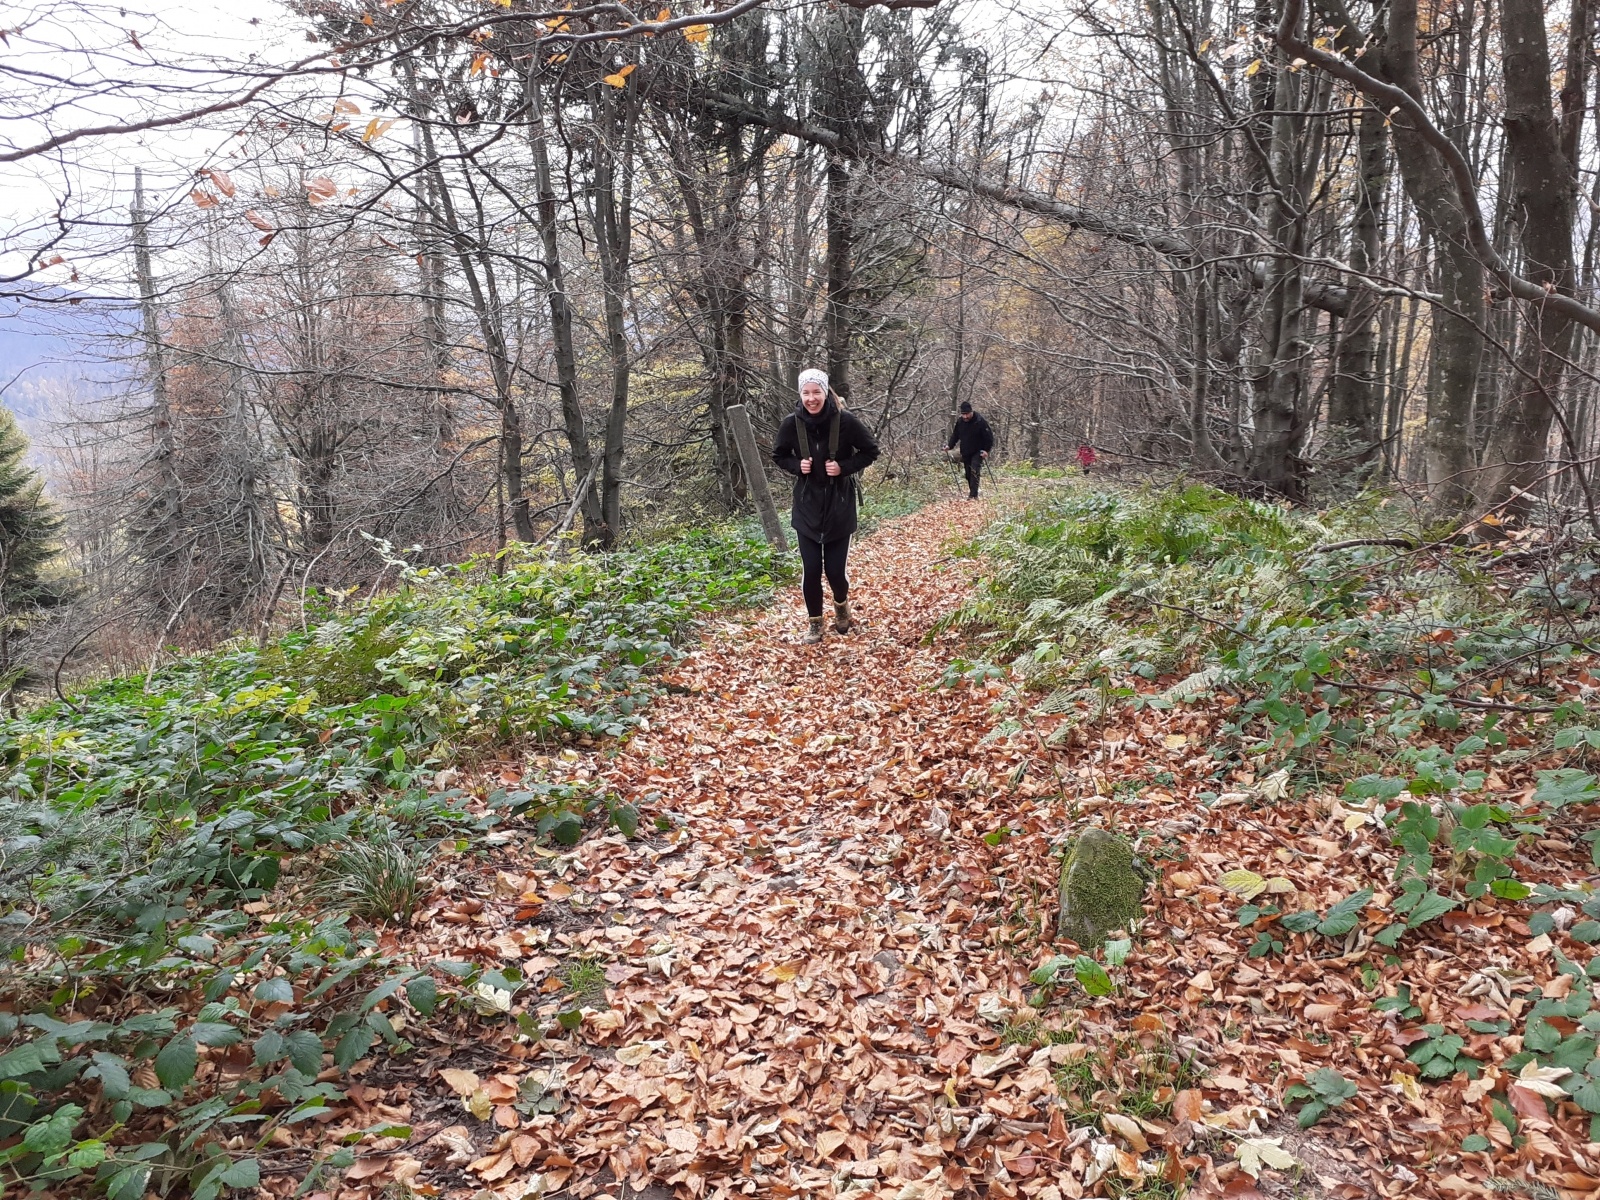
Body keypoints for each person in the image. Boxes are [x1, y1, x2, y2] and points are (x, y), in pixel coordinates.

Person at [772, 369, 881, 644]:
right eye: (806, 393)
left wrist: (843, 467)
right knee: (810, 569)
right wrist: (797, 466)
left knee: (834, 570)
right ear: (800, 394)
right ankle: (815, 624)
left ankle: (841, 606)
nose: (811, 398)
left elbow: (871, 451)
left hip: (839, 506)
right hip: (807, 507)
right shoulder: (791, 424)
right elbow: (779, 455)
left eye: (816, 392)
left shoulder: (845, 421)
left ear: (825, 392)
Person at [947, 401, 994, 499]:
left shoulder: (980, 421)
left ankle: (973, 495)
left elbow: (989, 437)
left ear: (971, 412)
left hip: (978, 451)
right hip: (965, 451)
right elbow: (955, 435)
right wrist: (949, 446)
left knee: (974, 471)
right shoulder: (960, 422)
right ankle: (973, 491)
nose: (965, 417)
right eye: (963, 414)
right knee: (968, 474)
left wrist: (986, 450)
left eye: (967, 414)